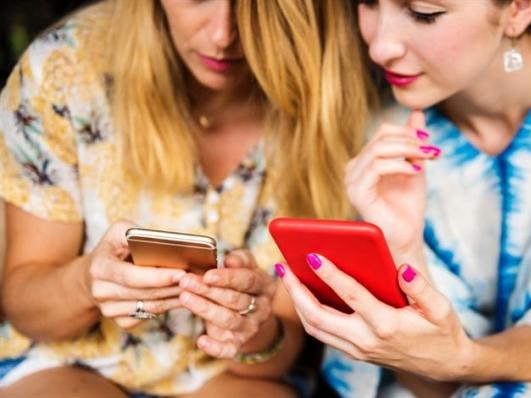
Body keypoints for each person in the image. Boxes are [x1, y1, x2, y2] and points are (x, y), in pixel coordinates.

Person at [0, 0, 372, 396]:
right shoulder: (67, 67)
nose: (223, 36)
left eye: (256, 6)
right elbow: (27, 308)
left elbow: (280, 354)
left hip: (227, 377)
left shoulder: (325, 102)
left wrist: (250, 327)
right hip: (68, 361)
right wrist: (86, 283)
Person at [276, 0, 531, 396]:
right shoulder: (374, 132)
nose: (380, 47)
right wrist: (403, 252)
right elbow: (424, 379)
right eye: (367, 2)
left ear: (519, 8)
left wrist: (461, 357)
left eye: (423, 13)